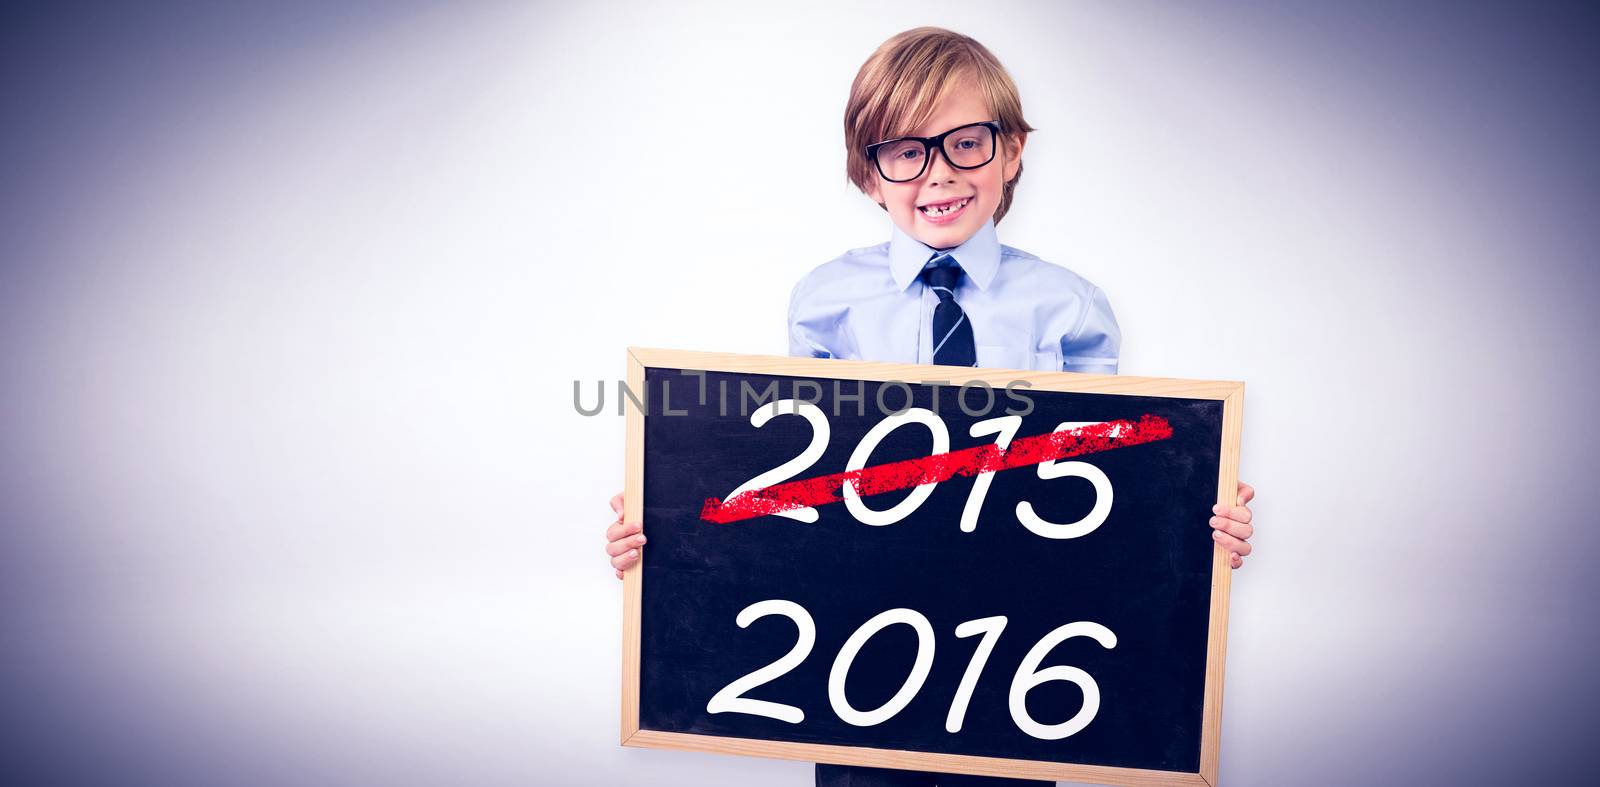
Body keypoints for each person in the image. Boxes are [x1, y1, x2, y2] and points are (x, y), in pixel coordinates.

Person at [603, 26, 1258, 787]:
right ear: (870, 173)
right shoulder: (827, 302)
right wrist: (672, 521)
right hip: (860, 645)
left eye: (966, 142)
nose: (938, 174)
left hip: (1014, 647)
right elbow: (794, 475)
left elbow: (1107, 486)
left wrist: (1193, 522)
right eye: (905, 150)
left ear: (1011, 151)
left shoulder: (1069, 308)